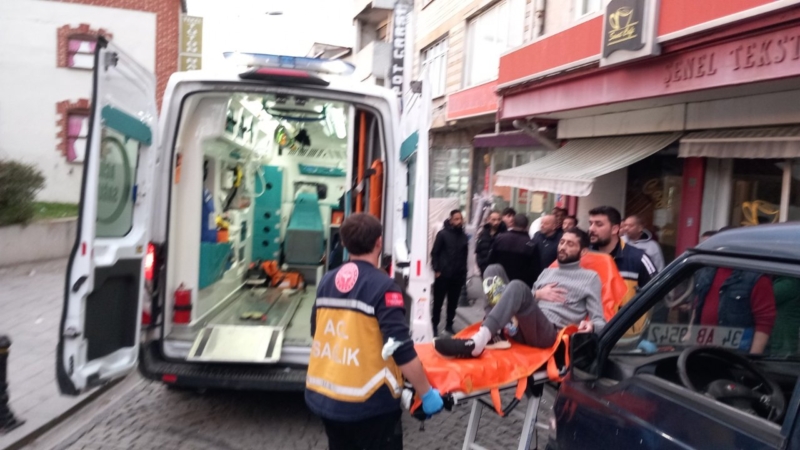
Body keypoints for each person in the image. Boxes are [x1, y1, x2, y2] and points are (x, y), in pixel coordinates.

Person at [306, 213, 444, 449]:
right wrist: (426, 393)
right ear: (379, 242)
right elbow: (400, 348)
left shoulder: (327, 281)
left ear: (344, 243)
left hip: (326, 397)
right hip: (369, 403)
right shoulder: (383, 287)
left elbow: (316, 330)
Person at [434, 228, 605, 357]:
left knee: (517, 286)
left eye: (570, 244)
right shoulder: (548, 272)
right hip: (521, 326)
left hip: (549, 334)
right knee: (493, 269)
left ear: (583, 251)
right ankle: (495, 333)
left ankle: (480, 340)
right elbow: (525, 301)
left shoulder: (590, 278)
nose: (562, 247)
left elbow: (600, 321)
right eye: (562, 242)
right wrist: (537, 295)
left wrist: (592, 326)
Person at [692, 267, 776, 354]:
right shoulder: (706, 272)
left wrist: (753, 356)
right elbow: (697, 305)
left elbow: (764, 321)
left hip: (736, 355)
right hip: (703, 351)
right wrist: (690, 333)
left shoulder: (757, 278)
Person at [431, 210, 469, 336]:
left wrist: (464, 274)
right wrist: (437, 270)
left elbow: (465, 256)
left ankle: (449, 325)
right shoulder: (443, 234)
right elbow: (435, 253)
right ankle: (434, 325)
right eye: (456, 219)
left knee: (453, 304)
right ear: (451, 220)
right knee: (438, 303)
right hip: (443, 275)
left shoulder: (464, 237)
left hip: (457, 276)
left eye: (460, 219)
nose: (459, 221)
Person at [488, 213, 542, 288]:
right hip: (521, 285)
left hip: (499, 283)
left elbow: (491, 260)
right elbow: (535, 270)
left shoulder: (500, 238)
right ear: (526, 226)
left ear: (513, 223)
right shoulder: (531, 245)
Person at [475, 211, 507, 276]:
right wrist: (480, 264)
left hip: (498, 270)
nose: (496, 222)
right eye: (493, 220)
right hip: (484, 269)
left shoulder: (504, 235)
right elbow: (478, 250)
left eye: (498, 219)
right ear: (488, 220)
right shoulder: (483, 234)